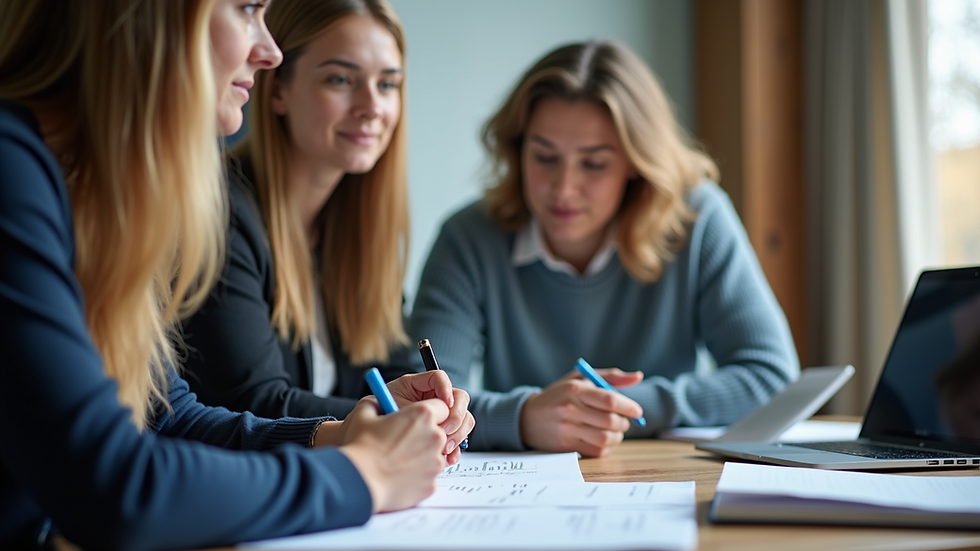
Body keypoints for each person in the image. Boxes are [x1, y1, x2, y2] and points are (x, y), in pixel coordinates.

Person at [0, 1, 471, 549]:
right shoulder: (12, 171)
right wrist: (364, 475)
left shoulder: (94, 196)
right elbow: (109, 487)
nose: (268, 51)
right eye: (246, 9)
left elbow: (172, 419)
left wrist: (334, 436)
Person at [409, 40, 800, 457]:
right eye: (544, 157)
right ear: (517, 148)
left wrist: (619, 408)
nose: (563, 188)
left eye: (593, 163)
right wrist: (523, 417)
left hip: (662, 471)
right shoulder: (467, 237)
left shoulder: (696, 219)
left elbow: (772, 378)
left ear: (635, 161)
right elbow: (419, 400)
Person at [179, 0, 473, 458]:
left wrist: (434, 409)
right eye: (340, 79)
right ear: (277, 89)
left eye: (388, 84)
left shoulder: (357, 228)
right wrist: (390, 417)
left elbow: (397, 368)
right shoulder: (220, 213)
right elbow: (254, 403)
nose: (372, 106)